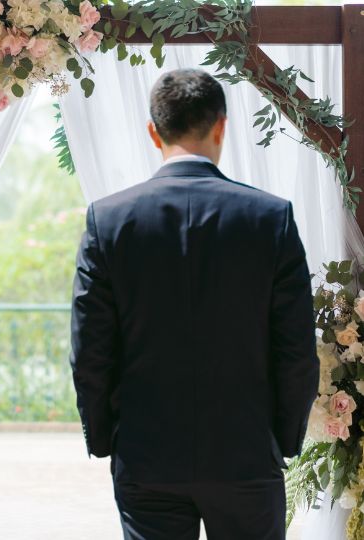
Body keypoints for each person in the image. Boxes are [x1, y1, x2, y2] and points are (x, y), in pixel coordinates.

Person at [69, 68, 319, 540]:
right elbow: (296, 354)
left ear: (152, 131)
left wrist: (107, 440)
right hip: (246, 452)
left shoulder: (109, 220)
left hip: (146, 454)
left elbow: (90, 352)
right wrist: (281, 441)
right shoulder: (271, 219)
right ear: (221, 126)